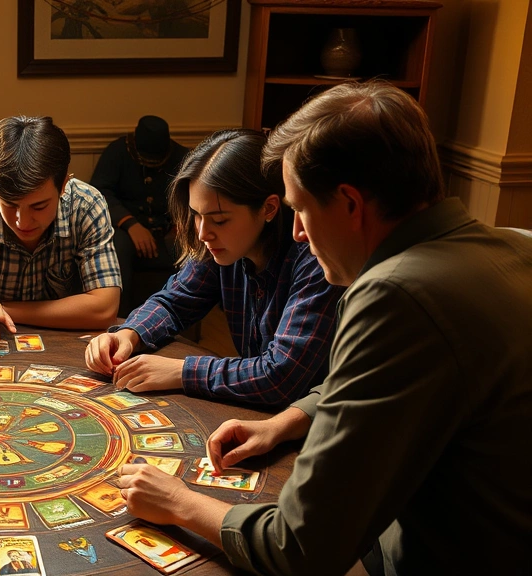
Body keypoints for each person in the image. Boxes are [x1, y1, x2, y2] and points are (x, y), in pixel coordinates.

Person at [116, 82, 532, 575]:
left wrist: (180, 502)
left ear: (351, 205)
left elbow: (300, 547)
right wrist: (287, 421)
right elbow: (407, 384)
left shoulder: (392, 295)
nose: (295, 232)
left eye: (302, 211)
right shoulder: (515, 245)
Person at [86, 129, 343, 407]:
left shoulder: (315, 259)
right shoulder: (223, 246)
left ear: (269, 208)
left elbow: (280, 377)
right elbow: (174, 302)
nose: (202, 234)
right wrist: (129, 334)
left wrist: (180, 371)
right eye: (196, 215)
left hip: (320, 424)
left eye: (219, 220)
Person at [0, 116, 122, 341]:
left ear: (63, 186)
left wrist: (2, 309)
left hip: (67, 342)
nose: (22, 222)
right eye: (9, 205)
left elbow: (105, 308)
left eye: (38, 206)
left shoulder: (86, 205)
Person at [90, 115, 189, 316]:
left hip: (167, 228)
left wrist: (182, 222)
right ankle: (119, 317)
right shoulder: (117, 152)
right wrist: (130, 223)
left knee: (189, 249)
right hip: (125, 229)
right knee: (118, 246)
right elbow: (100, 193)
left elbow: (190, 195)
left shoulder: (182, 156)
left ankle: (176, 317)